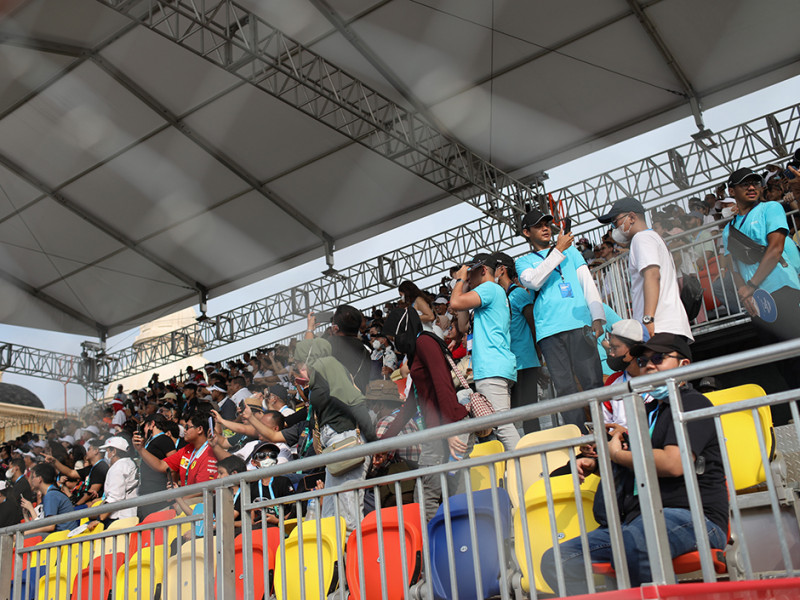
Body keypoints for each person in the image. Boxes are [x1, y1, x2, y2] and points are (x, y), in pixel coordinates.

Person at [541, 333, 728, 594]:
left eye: (659, 358)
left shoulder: (692, 403)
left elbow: (674, 463)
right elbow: (639, 462)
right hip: (640, 520)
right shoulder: (648, 412)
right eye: (642, 361)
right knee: (557, 560)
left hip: (694, 517)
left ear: (683, 365)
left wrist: (618, 456)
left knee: (637, 540)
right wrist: (600, 464)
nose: (649, 366)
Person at [515, 209, 605, 431]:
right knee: (565, 388)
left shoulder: (571, 252)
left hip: (579, 324)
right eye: (538, 226)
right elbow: (533, 281)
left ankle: (606, 431)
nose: (545, 228)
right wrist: (558, 250)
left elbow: (587, 283)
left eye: (547, 224)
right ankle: (580, 439)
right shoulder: (523, 262)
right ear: (526, 232)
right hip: (549, 331)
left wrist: (598, 317)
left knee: (592, 382)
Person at [380, 307, 473, 520]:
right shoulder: (417, 351)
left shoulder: (424, 343)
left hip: (447, 428)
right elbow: (411, 404)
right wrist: (385, 442)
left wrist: (450, 429)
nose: (394, 343)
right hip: (442, 429)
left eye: (394, 337)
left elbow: (443, 384)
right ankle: (455, 537)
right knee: (450, 495)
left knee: (427, 497)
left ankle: (437, 539)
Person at [722, 166, 800, 396]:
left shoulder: (770, 208)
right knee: (780, 360)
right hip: (758, 303)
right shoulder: (728, 229)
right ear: (732, 191)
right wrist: (744, 292)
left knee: (796, 352)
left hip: (783, 289)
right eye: (744, 184)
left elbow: (775, 249)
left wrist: (751, 286)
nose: (751, 187)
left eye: (755, 182)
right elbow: (733, 266)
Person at [293, 338, 377, 532]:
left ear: (308, 358)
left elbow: (355, 402)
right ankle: (340, 552)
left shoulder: (327, 364)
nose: (297, 368)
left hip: (345, 440)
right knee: (330, 517)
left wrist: (374, 443)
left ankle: (357, 552)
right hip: (335, 445)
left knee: (348, 516)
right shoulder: (319, 375)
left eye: (298, 362)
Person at [598, 197, 693, 341]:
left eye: (615, 222)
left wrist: (648, 319)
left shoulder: (641, 238)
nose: (614, 228)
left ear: (631, 217)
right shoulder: (653, 237)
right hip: (667, 325)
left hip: (659, 326)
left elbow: (652, 275)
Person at [450, 254, 520, 451]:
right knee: (495, 421)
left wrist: (460, 280)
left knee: (502, 426)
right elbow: (463, 326)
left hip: (492, 366)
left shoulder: (489, 288)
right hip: (492, 366)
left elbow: (455, 303)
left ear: (482, 270)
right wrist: (464, 286)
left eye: (471, 273)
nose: (468, 277)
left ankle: (527, 462)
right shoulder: (492, 292)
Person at [488, 251, 543, 434]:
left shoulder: (518, 293)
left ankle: (536, 445)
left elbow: (533, 323)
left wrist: (538, 354)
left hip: (525, 361)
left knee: (529, 412)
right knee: (516, 411)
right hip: (512, 363)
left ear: (502, 270)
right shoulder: (501, 296)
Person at [133, 412, 217, 490]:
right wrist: (141, 449)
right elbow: (161, 465)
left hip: (200, 499)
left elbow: (202, 489)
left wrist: (179, 494)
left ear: (199, 429)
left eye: (187, 427)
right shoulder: (187, 449)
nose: (184, 430)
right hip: (184, 497)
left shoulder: (210, 452)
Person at [307, 305, 372, 394]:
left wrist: (310, 329)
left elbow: (309, 369)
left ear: (335, 327)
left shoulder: (330, 344)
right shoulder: (365, 351)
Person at [601, 320, 651, 426]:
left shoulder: (659, 380)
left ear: (634, 350)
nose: (611, 354)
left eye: (615, 348)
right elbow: (606, 424)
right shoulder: (612, 381)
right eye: (610, 348)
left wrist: (625, 433)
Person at [136, 414, 177, 518]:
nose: (144, 430)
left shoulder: (164, 439)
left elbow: (174, 465)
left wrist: (172, 490)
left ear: (152, 424)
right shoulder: (151, 442)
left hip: (159, 494)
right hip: (148, 493)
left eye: (145, 426)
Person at [21, 463, 79, 534]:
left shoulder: (51, 495)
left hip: (64, 536)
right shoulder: (51, 494)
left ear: (39, 479)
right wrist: (26, 515)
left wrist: (25, 533)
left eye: (33, 477)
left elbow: (50, 526)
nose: (32, 480)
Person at [92, 437, 138, 526]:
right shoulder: (129, 463)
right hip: (130, 514)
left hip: (119, 518)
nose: (106, 454)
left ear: (114, 451)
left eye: (107, 451)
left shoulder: (117, 467)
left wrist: (99, 520)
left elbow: (114, 498)